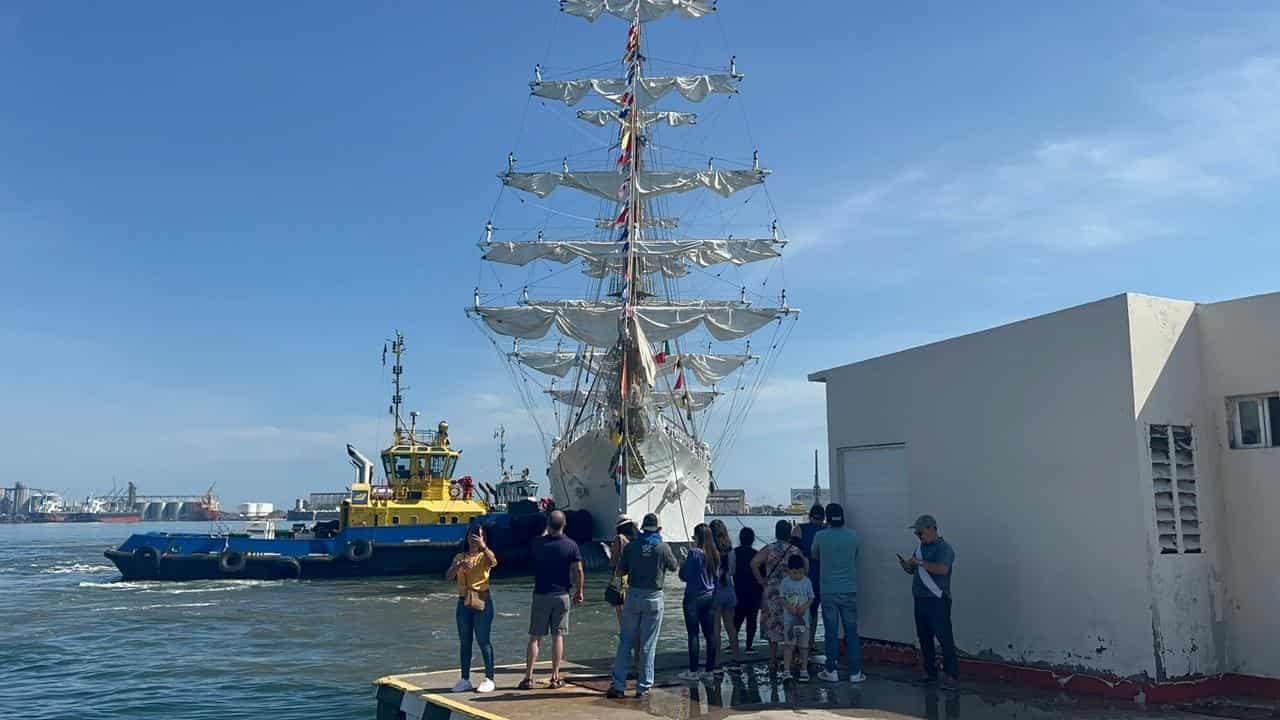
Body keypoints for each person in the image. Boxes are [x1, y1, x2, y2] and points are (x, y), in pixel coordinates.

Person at [605, 513, 679, 699]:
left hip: (633, 595)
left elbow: (620, 570)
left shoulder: (631, 546)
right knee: (648, 644)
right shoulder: (662, 547)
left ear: (642, 528)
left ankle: (618, 685)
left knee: (625, 641)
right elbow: (674, 566)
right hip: (654, 597)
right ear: (658, 529)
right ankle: (643, 686)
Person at [520, 510, 584, 690]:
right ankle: (555, 677)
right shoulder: (571, 545)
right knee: (558, 636)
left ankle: (528, 677)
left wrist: (545, 531)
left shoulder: (538, 543)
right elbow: (578, 570)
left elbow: (535, 545)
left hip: (541, 594)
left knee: (535, 638)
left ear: (548, 525)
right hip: (562, 595)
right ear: (564, 525)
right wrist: (579, 591)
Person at [899, 514, 958, 688]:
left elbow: (943, 569)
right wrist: (907, 566)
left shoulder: (944, 548)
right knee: (924, 638)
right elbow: (914, 571)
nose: (918, 536)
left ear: (932, 529)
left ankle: (951, 675)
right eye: (916, 534)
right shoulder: (919, 549)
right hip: (920, 599)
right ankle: (930, 673)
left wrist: (920, 563)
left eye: (921, 532)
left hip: (937, 599)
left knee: (944, 638)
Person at [812, 502, 865, 684]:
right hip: (849, 590)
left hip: (828, 591)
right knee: (851, 632)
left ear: (827, 517)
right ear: (843, 517)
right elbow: (855, 555)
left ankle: (831, 670)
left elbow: (814, 555)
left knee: (831, 632)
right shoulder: (854, 536)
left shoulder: (820, 536)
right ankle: (855, 672)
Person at [446, 524, 498, 693]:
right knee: (465, 642)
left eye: (478, 535)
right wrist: (458, 566)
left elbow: (494, 562)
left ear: (484, 538)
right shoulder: (460, 556)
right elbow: (447, 576)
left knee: (483, 641)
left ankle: (489, 678)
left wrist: (484, 547)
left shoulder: (484, 556)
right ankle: (465, 678)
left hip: (481, 600)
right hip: (463, 602)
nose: (473, 538)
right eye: (471, 535)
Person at [751, 519, 806, 673]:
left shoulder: (770, 549)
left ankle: (773, 660)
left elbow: (754, 563)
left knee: (772, 625)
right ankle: (791, 659)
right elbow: (804, 569)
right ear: (789, 533)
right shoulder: (795, 550)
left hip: (772, 592)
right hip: (791, 591)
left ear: (776, 532)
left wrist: (761, 580)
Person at [678, 523, 718, 680]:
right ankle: (710, 671)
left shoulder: (694, 553)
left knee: (693, 634)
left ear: (697, 537)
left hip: (693, 597)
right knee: (710, 635)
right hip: (710, 596)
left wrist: (683, 561)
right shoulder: (714, 553)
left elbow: (684, 576)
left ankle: (693, 671)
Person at [794, 504, 826, 653]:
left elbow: (793, 552)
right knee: (814, 612)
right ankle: (811, 642)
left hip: (803, 577)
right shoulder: (827, 531)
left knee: (800, 612)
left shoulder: (799, 529)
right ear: (823, 517)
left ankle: (798, 643)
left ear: (810, 516)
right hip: (822, 577)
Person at [708, 519, 739, 668]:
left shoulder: (710, 549)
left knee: (716, 629)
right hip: (729, 589)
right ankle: (736, 657)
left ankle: (717, 660)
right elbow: (732, 571)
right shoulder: (731, 549)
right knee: (731, 627)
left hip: (715, 590)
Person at [779, 554, 814, 681]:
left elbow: (811, 598)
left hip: (804, 621)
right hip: (789, 621)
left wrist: (804, 607)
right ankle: (786, 670)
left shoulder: (807, 581)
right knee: (789, 645)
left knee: (804, 646)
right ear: (788, 571)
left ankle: (804, 670)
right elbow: (782, 598)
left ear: (804, 570)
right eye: (794, 572)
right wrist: (789, 607)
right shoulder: (785, 582)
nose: (797, 575)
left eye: (800, 572)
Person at [732, 526, 762, 655]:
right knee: (752, 620)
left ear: (740, 538)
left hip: (738, 590)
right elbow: (762, 573)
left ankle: (732, 644)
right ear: (753, 540)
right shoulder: (757, 554)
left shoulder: (733, 553)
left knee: (736, 619)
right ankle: (749, 646)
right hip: (754, 592)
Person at [608, 515, 638, 624]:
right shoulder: (636, 539)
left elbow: (614, 560)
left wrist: (610, 553)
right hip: (633, 573)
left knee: (619, 603)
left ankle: (624, 628)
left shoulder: (619, 538)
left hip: (621, 573)